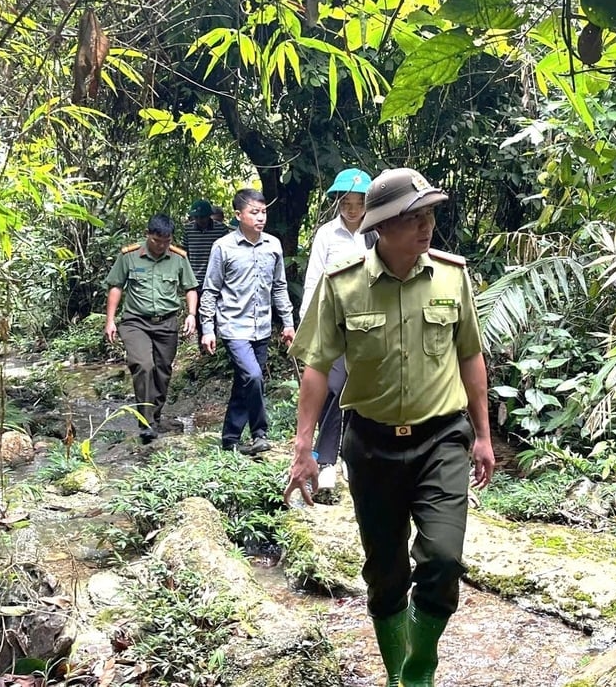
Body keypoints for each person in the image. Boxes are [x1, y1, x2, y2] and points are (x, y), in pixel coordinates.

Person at [283, 167, 495, 687]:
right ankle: (395, 672)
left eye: (428, 216)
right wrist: (304, 445)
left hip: (441, 438)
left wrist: (483, 435)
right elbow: (315, 366)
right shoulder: (344, 285)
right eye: (413, 218)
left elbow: (470, 355)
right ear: (382, 226)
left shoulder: (451, 276)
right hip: (372, 444)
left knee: (443, 560)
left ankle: (417, 672)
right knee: (385, 576)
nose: (426, 228)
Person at [199, 189, 296, 453]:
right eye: (254, 212)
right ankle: (260, 433)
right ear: (238, 215)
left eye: (263, 212)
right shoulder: (223, 247)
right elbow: (210, 290)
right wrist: (207, 329)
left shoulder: (273, 245)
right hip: (233, 326)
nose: (260, 217)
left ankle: (230, 440)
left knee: (245, 382)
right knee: (253, 377)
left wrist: (287, 323)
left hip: (262, 326)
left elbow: (279, 287)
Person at [298, 168, 374, 491]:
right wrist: (307, 324)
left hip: (370, 324)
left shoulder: (377, 234)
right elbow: (314, 279)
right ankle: (327, 459)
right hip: (333, 323)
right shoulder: (327, 235)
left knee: (362, 393)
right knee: (333, 389)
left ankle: (352, 456)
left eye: (358, 202)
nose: (352, 209)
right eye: (346, 201)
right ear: (338, 201)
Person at [104, 214, 198, 443]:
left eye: (166, 241)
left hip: (166, 323)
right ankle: (146, 422)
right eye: (157, 240)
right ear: (148, 235)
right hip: (136, 322)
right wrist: (110, 320)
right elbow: (116, 286)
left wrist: (192, 315)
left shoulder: (178, 258)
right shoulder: (130, 256)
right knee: (143, 365)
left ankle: (154, 415)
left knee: (162, 371)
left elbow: (190, 288)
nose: (162, 245)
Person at [183, 199, 229, 339]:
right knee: (197, 315)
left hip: (216, 280)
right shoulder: (189, 230)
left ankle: (216, 343)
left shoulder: (221, 229)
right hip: (196, 280)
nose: (199, 220)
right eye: (196, 217)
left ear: (208, 215)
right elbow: (185, 253)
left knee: (216, 314)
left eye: (202, 217)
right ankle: (203, 347)